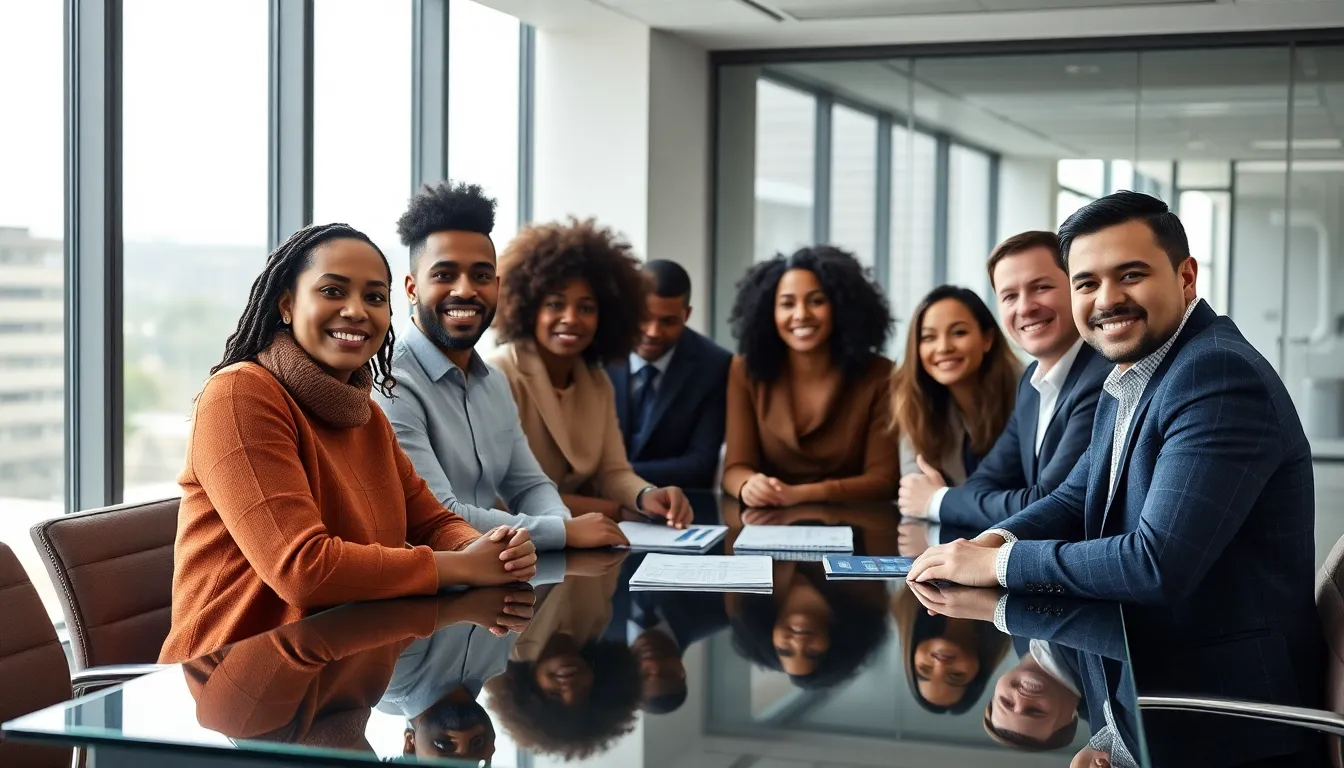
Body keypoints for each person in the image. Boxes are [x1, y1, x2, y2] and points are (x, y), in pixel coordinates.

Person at [908, 191, 1324, 767]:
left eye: (1130, 274)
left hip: (1221, 722)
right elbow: (1077, 496)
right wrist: (992, 541)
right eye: (1086, 283)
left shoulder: (1216, 376)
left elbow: (1156, 564)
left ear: (1185, 277)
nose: (1106, 300)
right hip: (1157, 695)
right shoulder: (1132, 368)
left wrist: (998, 567)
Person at [160, 223, 537, 664]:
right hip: (230, 684)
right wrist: (466, 566)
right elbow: (302, 569)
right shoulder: (240, 395)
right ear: (286, 304)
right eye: (333, 291)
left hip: (339, 666)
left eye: (375, 297)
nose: (357, 311)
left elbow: (432, 522)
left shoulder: (366, 415)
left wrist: (491, 548)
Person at [375, 181, 627, 553]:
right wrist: (564, 533)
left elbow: (529, 486)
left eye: (480, 276)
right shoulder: (391, 383)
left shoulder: (493, 382)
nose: (465, 290)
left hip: (496, 578)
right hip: (425, 595)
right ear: (412, 289)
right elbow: (440, 515)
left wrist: (561, 527)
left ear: (497, 285)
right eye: (444, 275)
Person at [898, 232, 1111, 531]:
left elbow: (1048, 505)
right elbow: (985, 481)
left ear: (1077, 287)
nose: (1025, 308)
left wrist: (937, 501)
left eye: (1042, 287)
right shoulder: (1031, 383)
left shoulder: (1102, 378)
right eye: (1010, 296)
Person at [489, 217, 692, 528]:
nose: (571, 319)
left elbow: (613, 471)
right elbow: (500, 495)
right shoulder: (500, 374)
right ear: (529, 308)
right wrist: (612, 510)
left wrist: (646, 494)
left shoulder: (597, 381)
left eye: (586, 308)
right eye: (555, 304)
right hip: (520, 547)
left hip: (581, 552)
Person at [721, 246, 899, 507]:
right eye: (787, 304)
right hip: (766, 525)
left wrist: (798, 495)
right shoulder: (745, 371)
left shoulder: (880, 375)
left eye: (816, 301)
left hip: (858, 528)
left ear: (840, 307)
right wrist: (749, 485)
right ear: (768, 313)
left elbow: (883, 480)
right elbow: (735, 468)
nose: (801, 314)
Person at [606, 260, 732, 490]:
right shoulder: (599, 353)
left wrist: (612, 476)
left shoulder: (714, 365)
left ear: (687, 314)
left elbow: (700, 464)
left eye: (668, 321)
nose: (653, 332)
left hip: (678, 508)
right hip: (597, 505)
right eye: (644, 317)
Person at [891, 285, 1021, 489]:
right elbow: (914, 489)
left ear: (987, 339)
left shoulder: (1027, 389)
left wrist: (940, 499)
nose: (943, 347)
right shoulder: (915, 399)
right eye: (928, 337)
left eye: (958, 333)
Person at [891, 583, 1010, 714]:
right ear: (981, 668)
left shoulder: (904, 602)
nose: (940, 664)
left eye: (925, 668)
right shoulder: (1014, 613)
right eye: (955, 675)